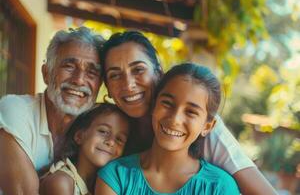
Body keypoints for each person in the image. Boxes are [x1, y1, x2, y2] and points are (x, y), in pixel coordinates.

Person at [98, 31, 277, 194]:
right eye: (115, 75)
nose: (128, 85)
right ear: (107, 88)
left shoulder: (212, 140)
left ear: (158, 74)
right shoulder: (110, 139)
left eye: (138, 70)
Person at [95, 63, 240, 194]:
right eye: (167, 103)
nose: (175, 119)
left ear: (207, 126)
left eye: (191, 112)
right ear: (154, 105)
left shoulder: (219, 187)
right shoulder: (115, 176)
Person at [0, 26, 104, 194]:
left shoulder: (96, 132)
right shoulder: (15, 110)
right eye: (69, 66)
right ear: (46, 72)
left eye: (91, 72)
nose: (79, 80)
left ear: (99, 85)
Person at [40, 103, 130, 195]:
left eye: (119, 139)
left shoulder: (107, 186)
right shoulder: (61, 182)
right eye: (103, 131)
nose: (111, 142)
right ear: (79, 136)